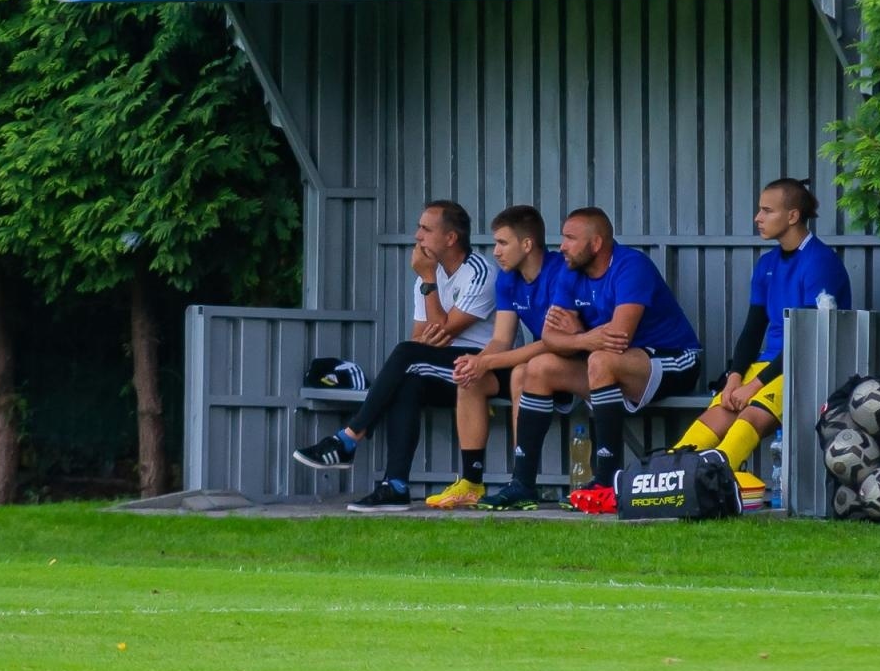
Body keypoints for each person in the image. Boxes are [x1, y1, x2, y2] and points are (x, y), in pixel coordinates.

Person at [291, 200, 497, 512]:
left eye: (426, 230)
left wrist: (429, 284)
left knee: (406, 356)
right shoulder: (425, 278)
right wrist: (430, 302)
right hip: (443, 366)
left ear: (451, 238)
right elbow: (421, 337)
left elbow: (442, 330)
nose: (418, 236)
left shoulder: (479, 272)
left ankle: (348, 439)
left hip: (484, 367)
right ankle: (395, 485)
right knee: (407, 380)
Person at [496, 207, 702, 515]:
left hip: (675, 359)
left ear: (596, 244)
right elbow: (550, 338)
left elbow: (618, 338)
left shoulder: (631, 266)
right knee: (538, 368)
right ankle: (523, 484)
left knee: (601, 361)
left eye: (570, 238)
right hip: (613, 363)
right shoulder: (570, 271)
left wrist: (579, 335)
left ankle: (607, 482)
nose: (561, 246)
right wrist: (583, 339)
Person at [671, 177, 852, 474]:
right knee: (715, 415)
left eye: (767, 211)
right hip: (769, 365)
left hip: (805, 365)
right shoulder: (767, 264)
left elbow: (808, 341)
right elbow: (753, 330)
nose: (758, 218)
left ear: (792, 216)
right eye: (759, 210)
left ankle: (712, 480)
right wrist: (734, 378)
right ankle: (668, 475)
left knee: (749, 417)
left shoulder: (821, 262)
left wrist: (754, 386)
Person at [425, 205, 567, 510]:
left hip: (570, 362)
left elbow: (556, 344)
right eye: (494, 244)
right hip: (538, 361)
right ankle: (471, 482)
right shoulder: (507, 279)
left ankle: (521, 480)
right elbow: (501, 339)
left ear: (527, 244)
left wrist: (486, 362)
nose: (496, 252)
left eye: (503, 243)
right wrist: (476, 363)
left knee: (521, 373)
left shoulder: (560, 273)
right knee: (470, 378)